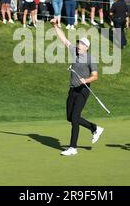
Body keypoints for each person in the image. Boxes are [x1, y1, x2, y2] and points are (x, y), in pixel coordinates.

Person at [50, 18, 104, 156]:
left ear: (86, 47)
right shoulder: (75, 51)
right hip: (73, 89)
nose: (79, 45)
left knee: (75, 118)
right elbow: (64, 39)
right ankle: (94, 128)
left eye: (82, 44)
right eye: (79, 42)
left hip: (83, 91)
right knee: (69, 117)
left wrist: (86, 80)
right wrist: (55, 26)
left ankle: (73, 148)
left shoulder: (90, 59)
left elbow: (95, 76)